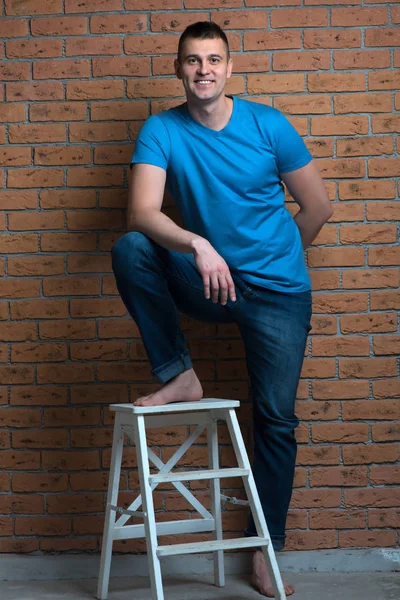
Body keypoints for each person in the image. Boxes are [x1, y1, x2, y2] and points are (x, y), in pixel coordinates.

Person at [112, 21, 333, 598]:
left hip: (279, 294)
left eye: (214, 59)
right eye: (192, 60)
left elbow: (317, 207)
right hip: (211, 282)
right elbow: (142, 212)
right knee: (132, 248)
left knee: (277, 418)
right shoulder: (161, 129)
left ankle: (267, 550)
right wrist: (200, 245)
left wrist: (279, 262)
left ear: (229, 68)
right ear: (179, 68)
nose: (203, 69)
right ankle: (179, 373)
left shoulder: (268, 124)